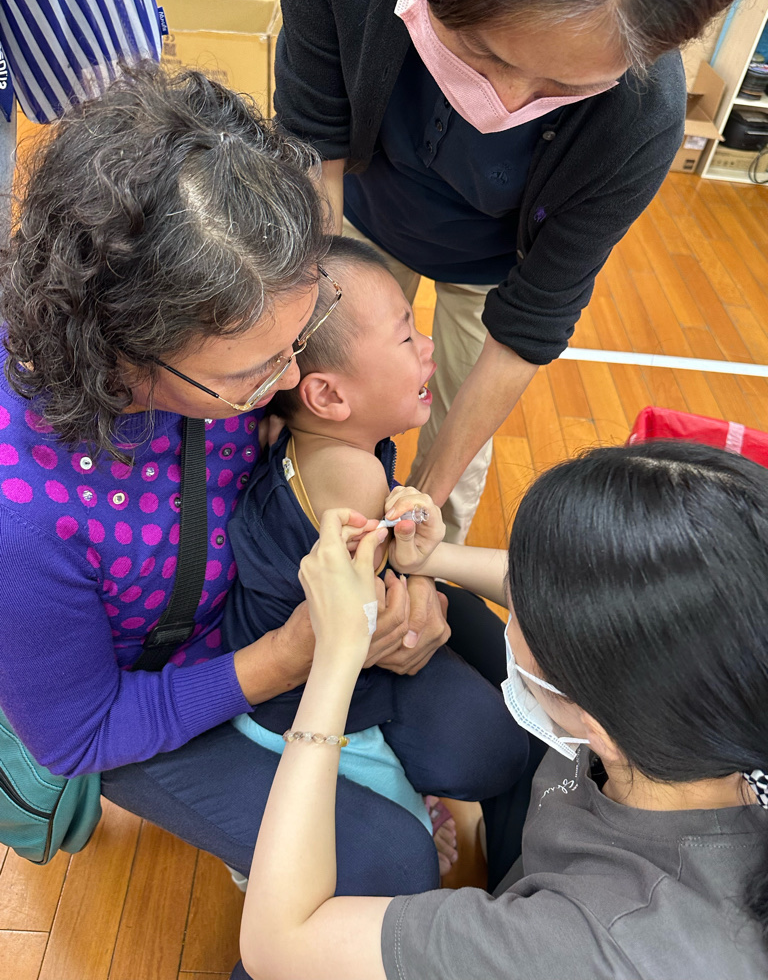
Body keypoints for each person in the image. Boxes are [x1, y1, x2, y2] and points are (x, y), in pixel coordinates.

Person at [0, 62, 502, 911]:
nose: (291, 382)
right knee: (386, 864)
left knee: (487, 742)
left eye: (299, 340)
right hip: (153, 697)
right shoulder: (24, 517)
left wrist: (403, 580)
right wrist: (291, 657)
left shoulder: (240, 331)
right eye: (255, 373)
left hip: (268, 607)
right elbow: (80, 733)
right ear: (127, 352)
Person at [275, 0, 764, 541]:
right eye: (484, 52)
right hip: (360, 214)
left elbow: (533, 318)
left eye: (566, 88)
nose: (505, 103)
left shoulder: (642, 118)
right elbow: (313, 139)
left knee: (454, 460)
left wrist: (423, 510)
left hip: (492, 266)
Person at [238, 442, 768, 980]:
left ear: (601, 727)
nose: (516, 605)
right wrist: (431, 560)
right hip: (556, 856)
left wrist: (335, 653)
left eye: (529, 615)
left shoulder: (593, 943)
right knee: (466, 617)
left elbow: (278, 944)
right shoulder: (723, 700)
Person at [222, 236, 528, 858]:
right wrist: (414, 548)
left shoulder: (306, 439)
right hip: (300, 700)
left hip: (265, 657)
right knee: (403, 831)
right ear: (329, 396)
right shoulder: (356, 477)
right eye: (406, 337)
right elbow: (385, 604)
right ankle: (259, 858)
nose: (428, 347)